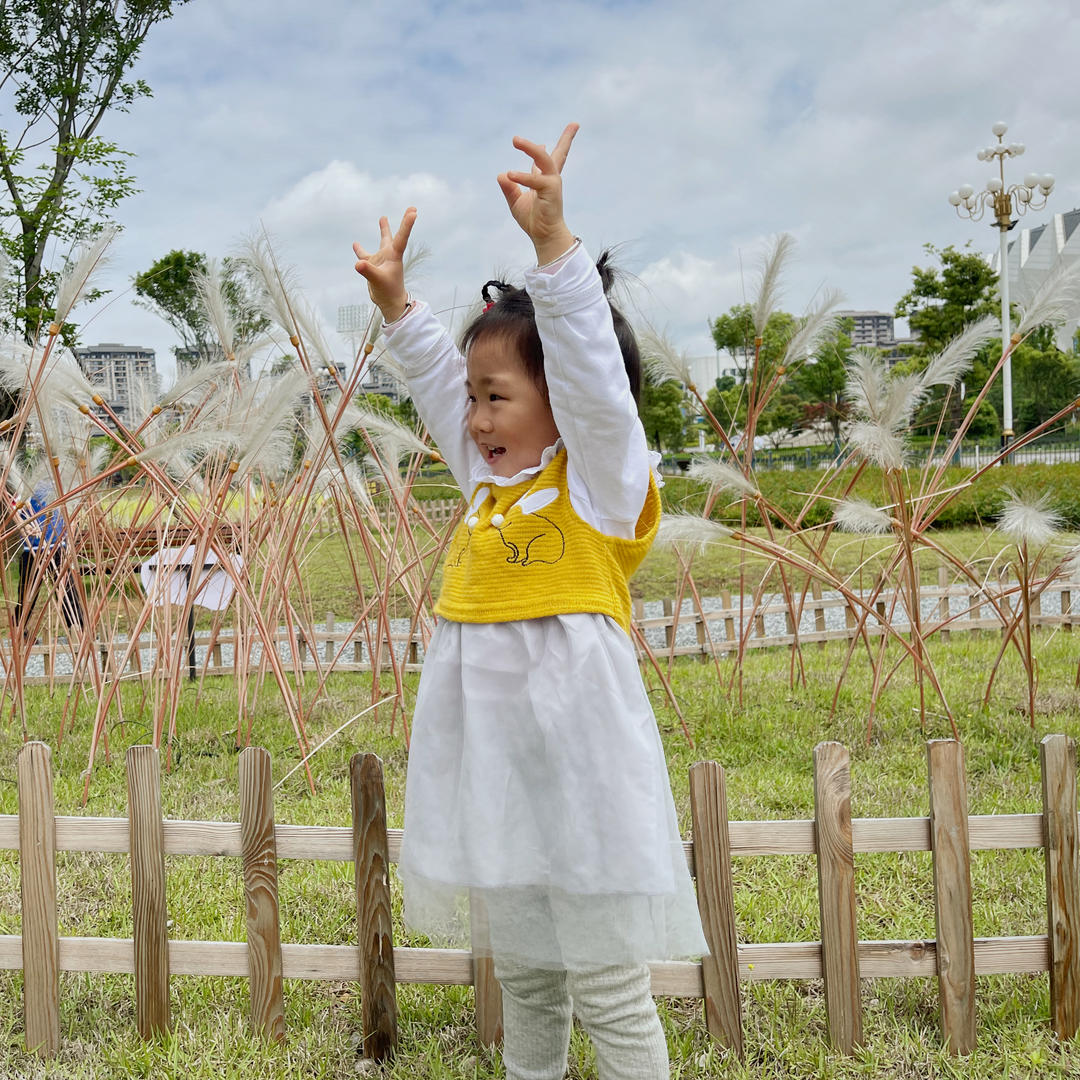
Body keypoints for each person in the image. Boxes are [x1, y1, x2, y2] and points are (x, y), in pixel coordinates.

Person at [353, 124, 706, 1080]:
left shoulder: (601, 483)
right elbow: (435, 381)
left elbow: (591, 376)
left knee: (607, 985)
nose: (475, 419)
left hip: (584, 786)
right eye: (473, 401)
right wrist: (397, 307)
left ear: (562, 402)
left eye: (498, 398)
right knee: (529, 977)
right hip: (496, 781)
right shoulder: (484, 480)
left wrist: (556, 252)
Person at [11, 484, 84, 639]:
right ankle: (18, 631)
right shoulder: (23, 479)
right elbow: (12, 503)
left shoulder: (57, 476)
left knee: (66, 590)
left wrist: (71, 531)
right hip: (32, 547)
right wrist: (22, 524)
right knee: (27, 594)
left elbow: (72, 502)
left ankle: (77, 629)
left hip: (57, 544)